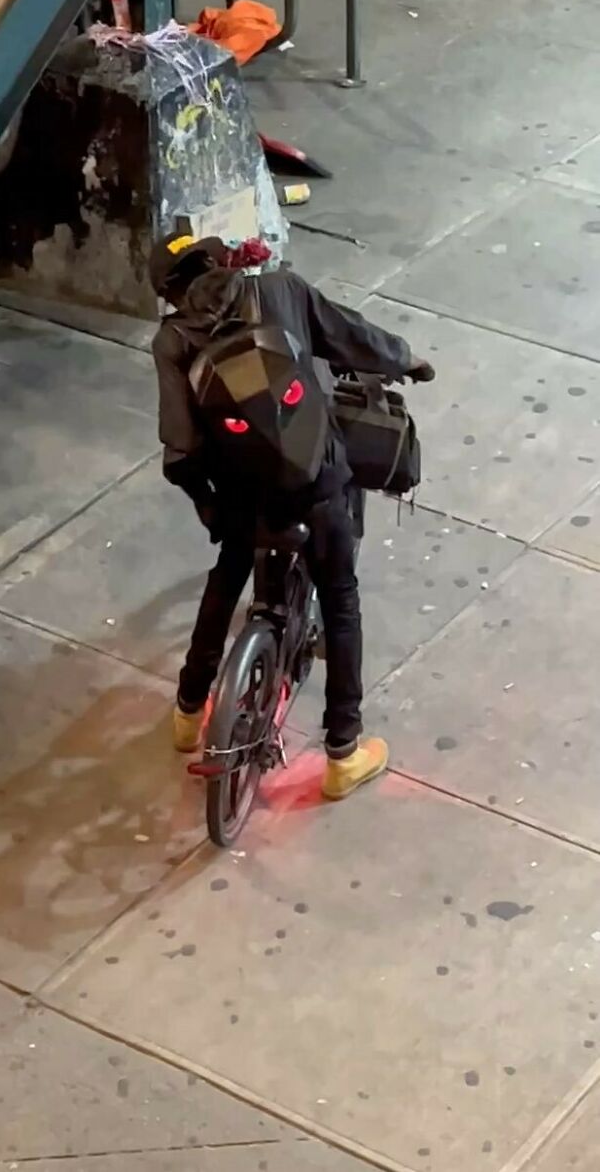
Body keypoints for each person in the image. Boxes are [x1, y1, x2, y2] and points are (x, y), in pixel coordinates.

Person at [149, 233, 435, 799]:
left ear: (170, 292)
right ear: (223, 263)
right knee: (341, 600)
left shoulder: (172, 339)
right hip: (315, 485)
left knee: (228, 574)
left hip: (241, 496)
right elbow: (353, 338)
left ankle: (187, 712)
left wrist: (211, 505)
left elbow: (179, 449)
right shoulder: (282, 291)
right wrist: (410, 359)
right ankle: (343, 753)